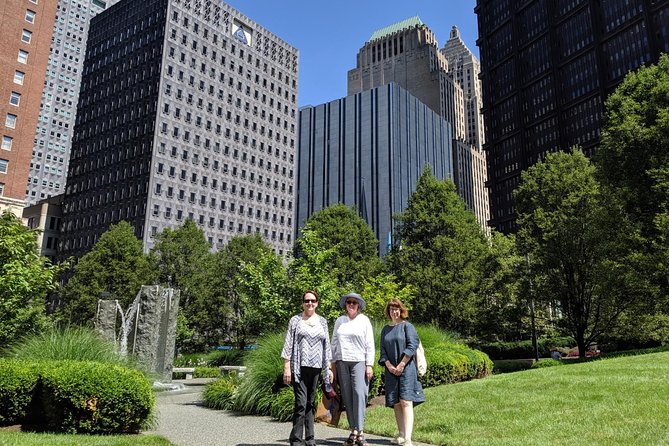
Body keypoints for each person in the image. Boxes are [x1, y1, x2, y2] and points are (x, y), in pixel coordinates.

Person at [281, 290, 333, 446]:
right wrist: (286, 366)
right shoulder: (295, 320)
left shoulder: (322, 321)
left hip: (316, 368)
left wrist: (328, 368)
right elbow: (288, 343)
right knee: (301, 403)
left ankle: (310, 438)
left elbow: (327, 345)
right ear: (302, 303)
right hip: (299, 368)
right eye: (307, 300)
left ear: (317, 303)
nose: (310, 303)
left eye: (313, 300)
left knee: (311, 402)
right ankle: (296, 439)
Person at [379, 298, 425, 446]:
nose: (394, 312)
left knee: (406, 401)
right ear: (388, 311)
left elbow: (413, 345)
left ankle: (408, 438)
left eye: (396, 309)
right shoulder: (385, 329)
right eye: (391, 309)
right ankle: (401, 434)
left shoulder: (407, 326)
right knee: (396, 402)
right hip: (390, 370)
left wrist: (401, 364)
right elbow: (383, 352)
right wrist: (389, 366)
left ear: (401, 310)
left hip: (407, 369)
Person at [331, 292, 375, 446]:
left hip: (359, 362)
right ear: (345, 305)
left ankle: (361, 431)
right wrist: (333, 365)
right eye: (348, 302)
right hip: (342, 362)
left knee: (359, 394)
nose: (351, 305)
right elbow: (334, 343)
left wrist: (369, 365)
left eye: (354, 303)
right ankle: (353, 430)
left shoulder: (364, 321)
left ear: (358, 306)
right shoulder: (340, 321)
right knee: (348, 396)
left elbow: (370, 343)